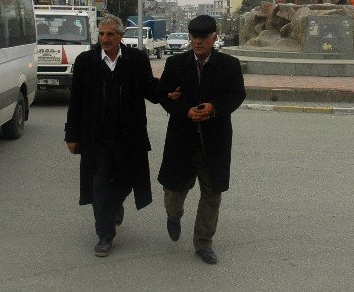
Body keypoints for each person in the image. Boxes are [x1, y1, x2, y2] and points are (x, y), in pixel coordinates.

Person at [65, 14, 171, 257]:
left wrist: (169, 93)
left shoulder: (136, 60)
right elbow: (76, 102)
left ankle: (115, 205)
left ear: (121, 36)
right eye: (101, 34)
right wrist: (71, 134)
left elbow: (149, 89)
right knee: (100, 183)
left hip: (128, 137)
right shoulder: (86, 62)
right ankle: (104, 234)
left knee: (126, 182)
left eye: (110, 34)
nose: (105, 39)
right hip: (97, 139)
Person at [157, 14, 246, 265]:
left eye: (203, 38)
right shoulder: (175, 64)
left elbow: (237, 94)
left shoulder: (229, 64)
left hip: (214, 141)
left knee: (212, 193)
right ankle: (174, 217)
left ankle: (203, 242)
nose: (198, 42)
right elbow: (163, 95)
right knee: (174, 193)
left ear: (214, 37)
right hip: (181, 139)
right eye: (194, 37)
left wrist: (214, 108)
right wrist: (183, 109)